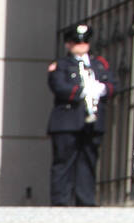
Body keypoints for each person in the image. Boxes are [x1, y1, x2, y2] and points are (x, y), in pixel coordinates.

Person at [48, 23, 114, 207]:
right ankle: (61, 201)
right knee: (64, 162)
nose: (81, 45)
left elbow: (111, 85)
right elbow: (59, 87)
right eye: (77, 42)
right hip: (67, 121)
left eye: (85, 42)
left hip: (92, 122)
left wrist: (101, 90)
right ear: (68, 44)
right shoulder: (60, 65)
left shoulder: (99, 64)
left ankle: (86, 200)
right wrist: (82, 91)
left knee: (88, 160)